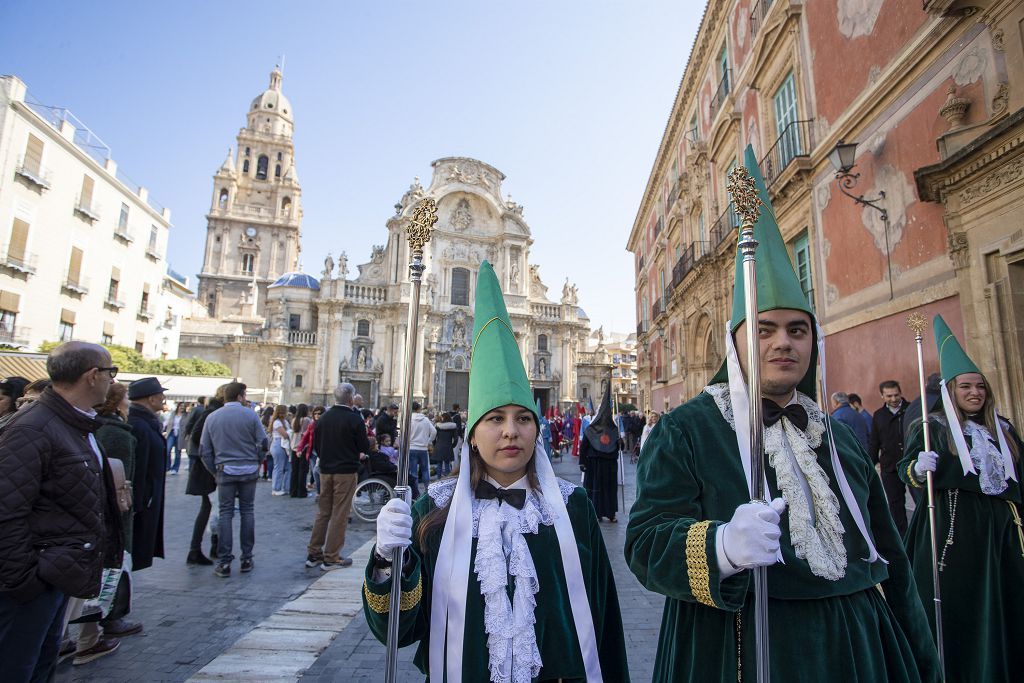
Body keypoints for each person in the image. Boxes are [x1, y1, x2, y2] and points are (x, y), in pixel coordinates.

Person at [625, 147, 939, 681]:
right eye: (765, 330)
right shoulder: (687, 431)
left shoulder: (837, 439)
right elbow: (644, 543)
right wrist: (719, 545)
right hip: (740, 649)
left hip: (855, 650)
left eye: (798, 330)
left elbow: (892, 558)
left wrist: (919, 659)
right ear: (736, 343)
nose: (783, 343)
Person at [364, 260, 629, 681]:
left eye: (523, 418)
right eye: (495, 419)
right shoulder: (432, 511)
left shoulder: (572, 508)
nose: (511, 432)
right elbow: (397, 630)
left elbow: (604, 622)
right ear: (472, 433)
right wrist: (384, 559)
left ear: (537, 429)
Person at [899, 315, 1024, 682]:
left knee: (1006, 605)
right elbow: (907, 468)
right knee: (963, 610)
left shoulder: (1004, 430)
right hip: (954, 534)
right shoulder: (932, 426)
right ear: (951, 390)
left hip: (1003, 538)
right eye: (966, 386)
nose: (975, 393)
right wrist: (918, 469)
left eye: (980, 387)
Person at [0, 342, 123, 681]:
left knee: (40, 666)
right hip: (34, 580)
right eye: (110, 372)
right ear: (91, 376)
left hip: (54, 574)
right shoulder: (34, 427)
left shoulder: (75, 423)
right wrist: (25, 580)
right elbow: (6, 509)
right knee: (17, 669)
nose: (113, 381)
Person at [88, 381, 143, 640]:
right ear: (116, 402)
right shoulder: (117, 433)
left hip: (101, 510)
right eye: (125, 398)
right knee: (116, 562)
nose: (128, 403)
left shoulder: (99, 426)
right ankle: (110, 618)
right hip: (115, 510)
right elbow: (121, 481)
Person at [200, 382, 268, 577]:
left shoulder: (212, 417)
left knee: (225, 513)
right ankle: (247, 558)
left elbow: (205, 450)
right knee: (247, 511)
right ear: (240, 396)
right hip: (248, 469)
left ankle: (224, 562)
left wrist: (214, 471)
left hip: (225, 470)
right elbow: (264, 442)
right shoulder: (251, 415)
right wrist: (257, 461)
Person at [305, 383, 368, 570]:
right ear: (350, 399)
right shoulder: (354, 419)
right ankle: (331, 557)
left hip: (325, 471)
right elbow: (363, 446)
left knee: (323, 512)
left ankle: (314, 553)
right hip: (345, 472)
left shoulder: (323, 418)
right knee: (340, 513)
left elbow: (316, 445)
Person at [127, 377, 168, 572]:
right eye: (161, 395)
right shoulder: (139, 425)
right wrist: (140, 501)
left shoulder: (147, 422)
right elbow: (139, 468)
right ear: (151, 399)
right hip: (144, 502)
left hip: (148, 498)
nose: (164, 399)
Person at [186, 386, 226, 565]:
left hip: (207, 466)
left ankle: (210, 546)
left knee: (212, 508)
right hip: (207, 468)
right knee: (209, 508)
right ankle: (197, 549)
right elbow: (196, 437)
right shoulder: (211, 413)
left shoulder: (213, 411)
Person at [869, 379, 911, 535]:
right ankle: (903, 539)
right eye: (889, 396)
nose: (893, 399)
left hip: (911, 464)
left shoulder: (910, 409)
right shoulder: (879, 415)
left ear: (900, 393)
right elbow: (874, 442)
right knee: (895, 505)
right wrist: (870, 464)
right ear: (882, 396)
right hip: (890, 467)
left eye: (896, 395)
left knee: (922, 502)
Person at [580, 384, 621, 523]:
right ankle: (596, 512)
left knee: (610, 489)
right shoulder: (590, 429)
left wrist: (620, 442)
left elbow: (618, 447)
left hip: (610, 464)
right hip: (594, 464)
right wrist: (582, 462)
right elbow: (584, 446)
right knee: (596, 490)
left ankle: (610, 513)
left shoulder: (614, 429)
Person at [407, 401, 436, 499]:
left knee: (413, 472)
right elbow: (434, 432)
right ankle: (428, 491)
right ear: (419, 409)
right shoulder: (426, 420)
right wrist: (428, 442)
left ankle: (416, 493)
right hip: (423, 448)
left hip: (411, 448)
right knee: (425, 470)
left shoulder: (408, 419)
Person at [268, 404, 292, 496]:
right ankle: (276, 488)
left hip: (284, 444)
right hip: (278, 444)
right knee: (279, 467)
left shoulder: (284, 421)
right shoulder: (277, 422)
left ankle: (287, 487)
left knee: (288, 467)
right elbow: (285, 435)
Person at [290, 404, 312, 498]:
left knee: (295, 470)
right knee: (303, 470)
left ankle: (293, 491)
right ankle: (302, 492)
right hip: (302, 447)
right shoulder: (306, 420)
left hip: (294, 447)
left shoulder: (294, 420)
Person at [163, 402, 187, 475]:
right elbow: (167, 422)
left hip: (180, 434)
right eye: (180, 406)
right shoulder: (173, 414)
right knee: (167, 450)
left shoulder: (186, 415)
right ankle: (167, 467)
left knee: (178, 452)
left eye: (183, 406)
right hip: (172, 432)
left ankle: (175, 468)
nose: (182, 407)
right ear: (178, 406)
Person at [432, 412, 458, 477]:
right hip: (448, 446)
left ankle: (438, 479)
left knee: (439, 464)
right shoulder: (453, 426)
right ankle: (447, 479)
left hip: (439, 446)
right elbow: (456, 439)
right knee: (447, 464)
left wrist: (435, 444)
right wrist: (453, 445)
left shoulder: (438, 426)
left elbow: (434, 437)